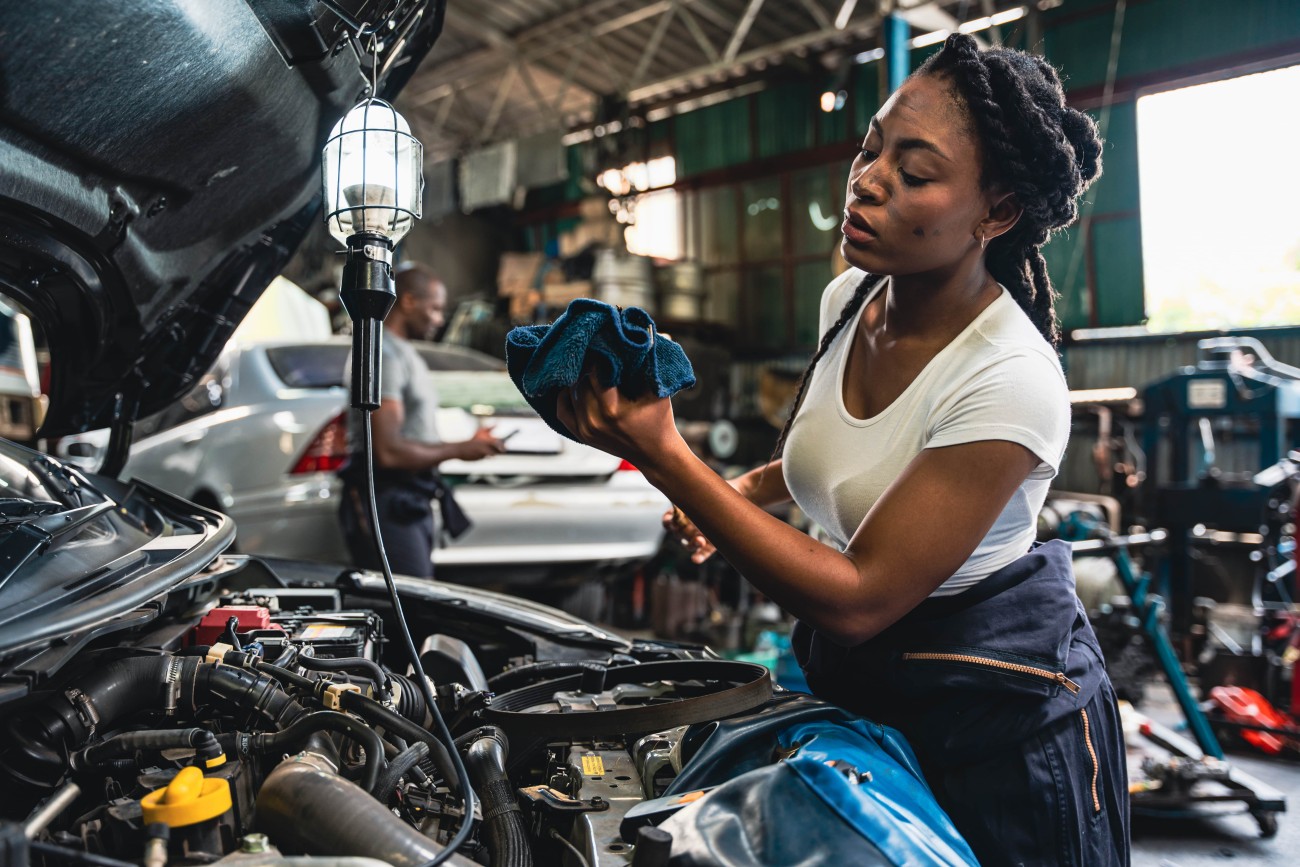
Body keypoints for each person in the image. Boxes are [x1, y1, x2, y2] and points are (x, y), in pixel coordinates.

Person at [554, 33, 1128, 866]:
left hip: (995, 734)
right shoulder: (850, 297)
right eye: (870, 148)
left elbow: (859, 597)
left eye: (915, 172)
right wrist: (747, 492)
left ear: (995, 213)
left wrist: (669, 456)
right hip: (866, 700)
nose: (866, 180)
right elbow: (841, 458)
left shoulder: (1009, 378)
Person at [338, 263, 505, 578]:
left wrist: (471, 443)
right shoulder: (382, 353)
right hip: (386, 500)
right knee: (406, 607)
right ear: (410, 301)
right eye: (436, 309)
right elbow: (387, 452)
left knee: (414, 601)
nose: (440, 320)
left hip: (409, 497)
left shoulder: (404, 353)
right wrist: (460, 449)